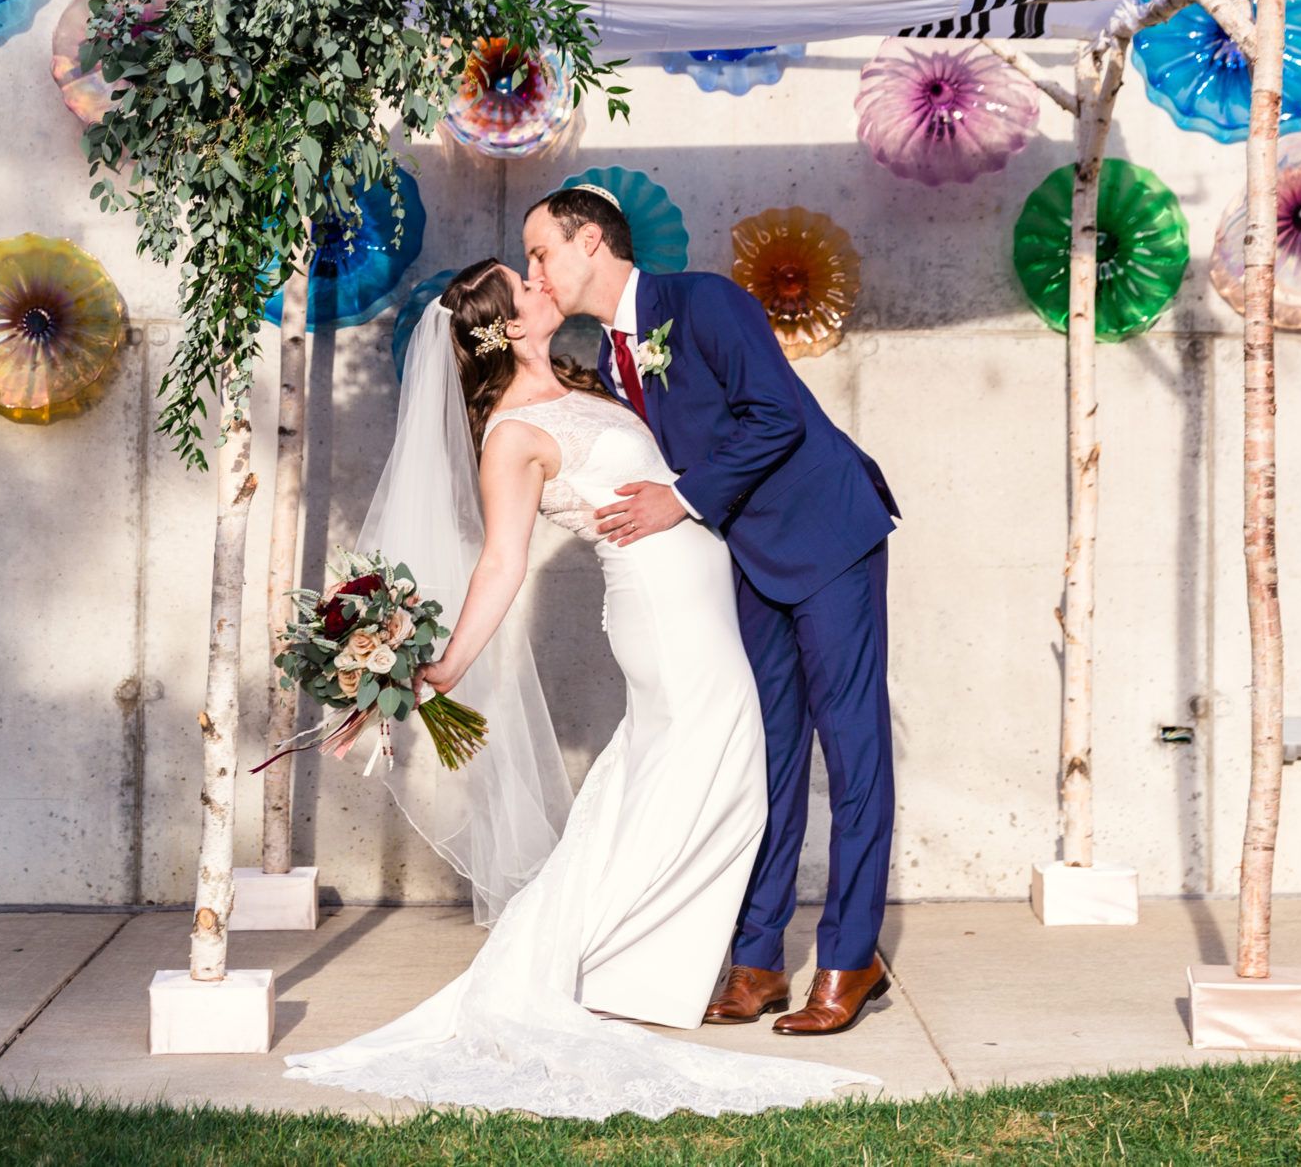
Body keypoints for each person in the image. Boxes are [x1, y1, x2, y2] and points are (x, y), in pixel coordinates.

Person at [281, 257, 876, 1120]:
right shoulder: (510, 435)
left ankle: (615, 962)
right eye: (522, 287)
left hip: (703, 602)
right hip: (665, 617)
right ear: (505, 327)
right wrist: (440, 666)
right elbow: (501, 560)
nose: (539, 285)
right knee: (726, 785)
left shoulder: (580, 379)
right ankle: (611, 964)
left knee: (658, 784)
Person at [521, 185, 901, 1037]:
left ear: (590, 242)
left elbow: (777, 418)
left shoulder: (704, 301)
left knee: (852, 751)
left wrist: (682, 501)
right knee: (765, 755)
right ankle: (758, 958)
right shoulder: (610, 353)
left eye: (541, 250)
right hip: (746, 560)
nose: (536, 269)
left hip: (827, 538)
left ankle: (849, 956)